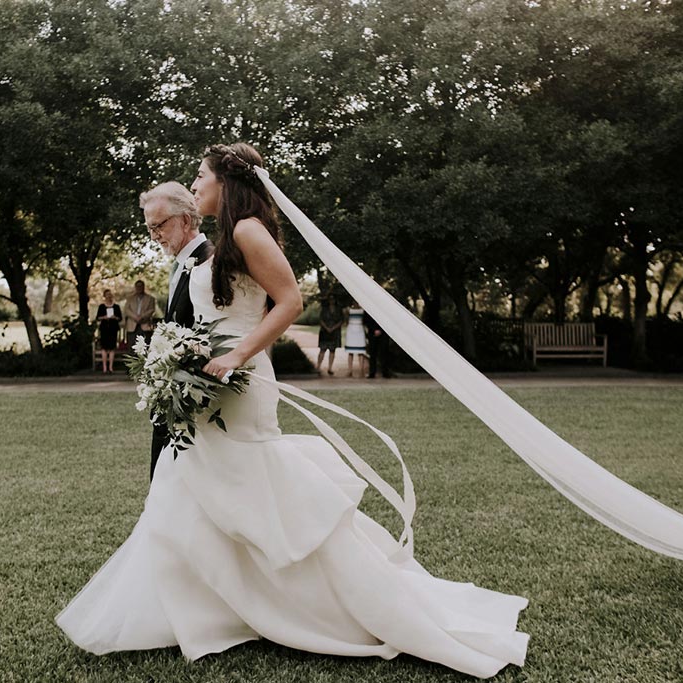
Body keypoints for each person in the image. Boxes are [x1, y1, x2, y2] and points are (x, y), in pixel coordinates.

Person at [56, 143, 529, 678]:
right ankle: (197, 611)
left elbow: (290, 301)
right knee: (184, 487)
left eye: (200, 176)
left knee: (249, 492)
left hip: (241, 381)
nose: (194, 185)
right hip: (214, 382)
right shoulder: (227, 237)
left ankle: (332, 603)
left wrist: (236, 353)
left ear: (225, 182)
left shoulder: (246, 230)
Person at [137, 181, 214, 482]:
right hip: (172, 402)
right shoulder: (181, 264)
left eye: (159, 226)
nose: (155, 235)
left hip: (194, 411)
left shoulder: (209, 262)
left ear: (184, 219)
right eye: (149, 228)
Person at [123, 280, 156, 350]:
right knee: (132, 347)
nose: (139, 288)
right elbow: (126, 309)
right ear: (135, 287)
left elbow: (151, 310)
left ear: (143, 287)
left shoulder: (150, 298)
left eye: (141, 286)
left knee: (145, 347)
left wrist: (142, 316)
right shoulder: (130, 298)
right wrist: (135, 316)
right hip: (132, 325)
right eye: (137, 286)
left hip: (145, 325)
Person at [94, 289, 122, 374]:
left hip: (113, 329)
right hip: (104, 329)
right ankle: (104, 367)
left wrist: (114, 317)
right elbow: (98, 317)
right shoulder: (101, 307)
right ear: (104, 296)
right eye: (107, 295)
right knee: (104, 348)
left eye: (110, 295)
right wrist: (104, 317)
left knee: (112, 347)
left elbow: (120, 318)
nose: (109, 296)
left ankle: (111, 367)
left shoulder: (116, 307)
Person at [315, 295, 342, 375]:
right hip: (324, 332)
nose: (332, 300)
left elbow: (341, 320)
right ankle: (318, 366)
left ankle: (330, 368)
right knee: (322, 350)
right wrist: (326, 328)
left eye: (333, 299)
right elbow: (321, 319)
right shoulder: (324, 309)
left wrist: (333, 328)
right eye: (330, 299)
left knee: (332, 350)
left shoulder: (338, 309)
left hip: (335, 332)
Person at [364, 310, 393, 378]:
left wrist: (380, 330)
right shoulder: (368, 308)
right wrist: (374, 329)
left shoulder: (383, 308)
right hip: (372, 333)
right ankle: (372, 372)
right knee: (373, 353)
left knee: (384, 352)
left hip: (383, 333)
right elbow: (366, 320)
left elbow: (387, 319)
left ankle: (385, 372)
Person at [343, 304, 368, 378]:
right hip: (351, 329)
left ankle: (361, 370)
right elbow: (346, 320)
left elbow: (365, 320)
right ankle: (350, 370)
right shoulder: (348, 309)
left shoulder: (363, 309)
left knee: (361, 351)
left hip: (360, 329)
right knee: (350, 351)